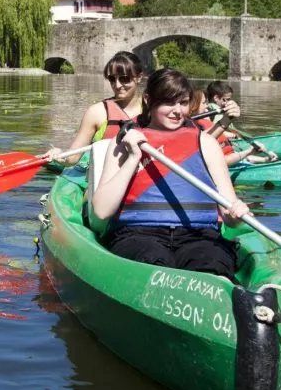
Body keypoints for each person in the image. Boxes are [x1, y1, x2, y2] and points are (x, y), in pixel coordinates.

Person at [90, 68, 250, 277]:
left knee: (211, 262)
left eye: (183, 103)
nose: (178, 111)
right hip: (138, 234)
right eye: (169, 102)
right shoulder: (124, 143)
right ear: (148, 99)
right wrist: (132, 158)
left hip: (199, 235)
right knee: (153, 261)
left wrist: (236, 213)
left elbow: (229, 216)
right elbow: (101, 211)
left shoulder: (206, 143)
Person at [43, 51, 145, 165]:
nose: (117, 85)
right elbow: (72, 158)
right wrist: (59, 154)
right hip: (106, 176)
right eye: (112, 79)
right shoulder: (96, 112)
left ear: (139, 77)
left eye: (124, 79)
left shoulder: (152, 109)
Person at [200, 81, 277, 164]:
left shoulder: (212, 113)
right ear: (216, 98)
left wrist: (265, 160)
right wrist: (235, 136)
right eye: (227, 99)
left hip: (232, 153)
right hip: (230, 148)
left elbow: (237, 157)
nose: (229, 102)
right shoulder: (212, 109)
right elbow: (216, 130)